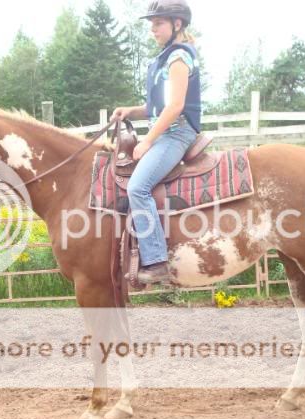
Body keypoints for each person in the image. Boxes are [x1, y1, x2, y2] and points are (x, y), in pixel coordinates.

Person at [111, 0, 201, 284]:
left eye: (158, 23)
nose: (152, 29)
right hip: (165, 131)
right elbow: (157, 107)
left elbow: (175, 106)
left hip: (176, 133)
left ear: (177, 24)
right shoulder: (163, 58)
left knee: (138, 186)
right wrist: (131, 111)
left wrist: (148, 140)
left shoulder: (178, 58)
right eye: (151, 24)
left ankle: (156, 260)